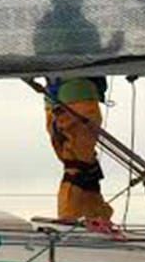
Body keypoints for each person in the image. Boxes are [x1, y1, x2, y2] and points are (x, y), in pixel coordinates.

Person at [39, 75, 114, 224]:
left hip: (52, 97)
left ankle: (95, 214)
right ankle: (70, 214)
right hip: (80, 95)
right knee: (79, 165)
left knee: (80, 162)